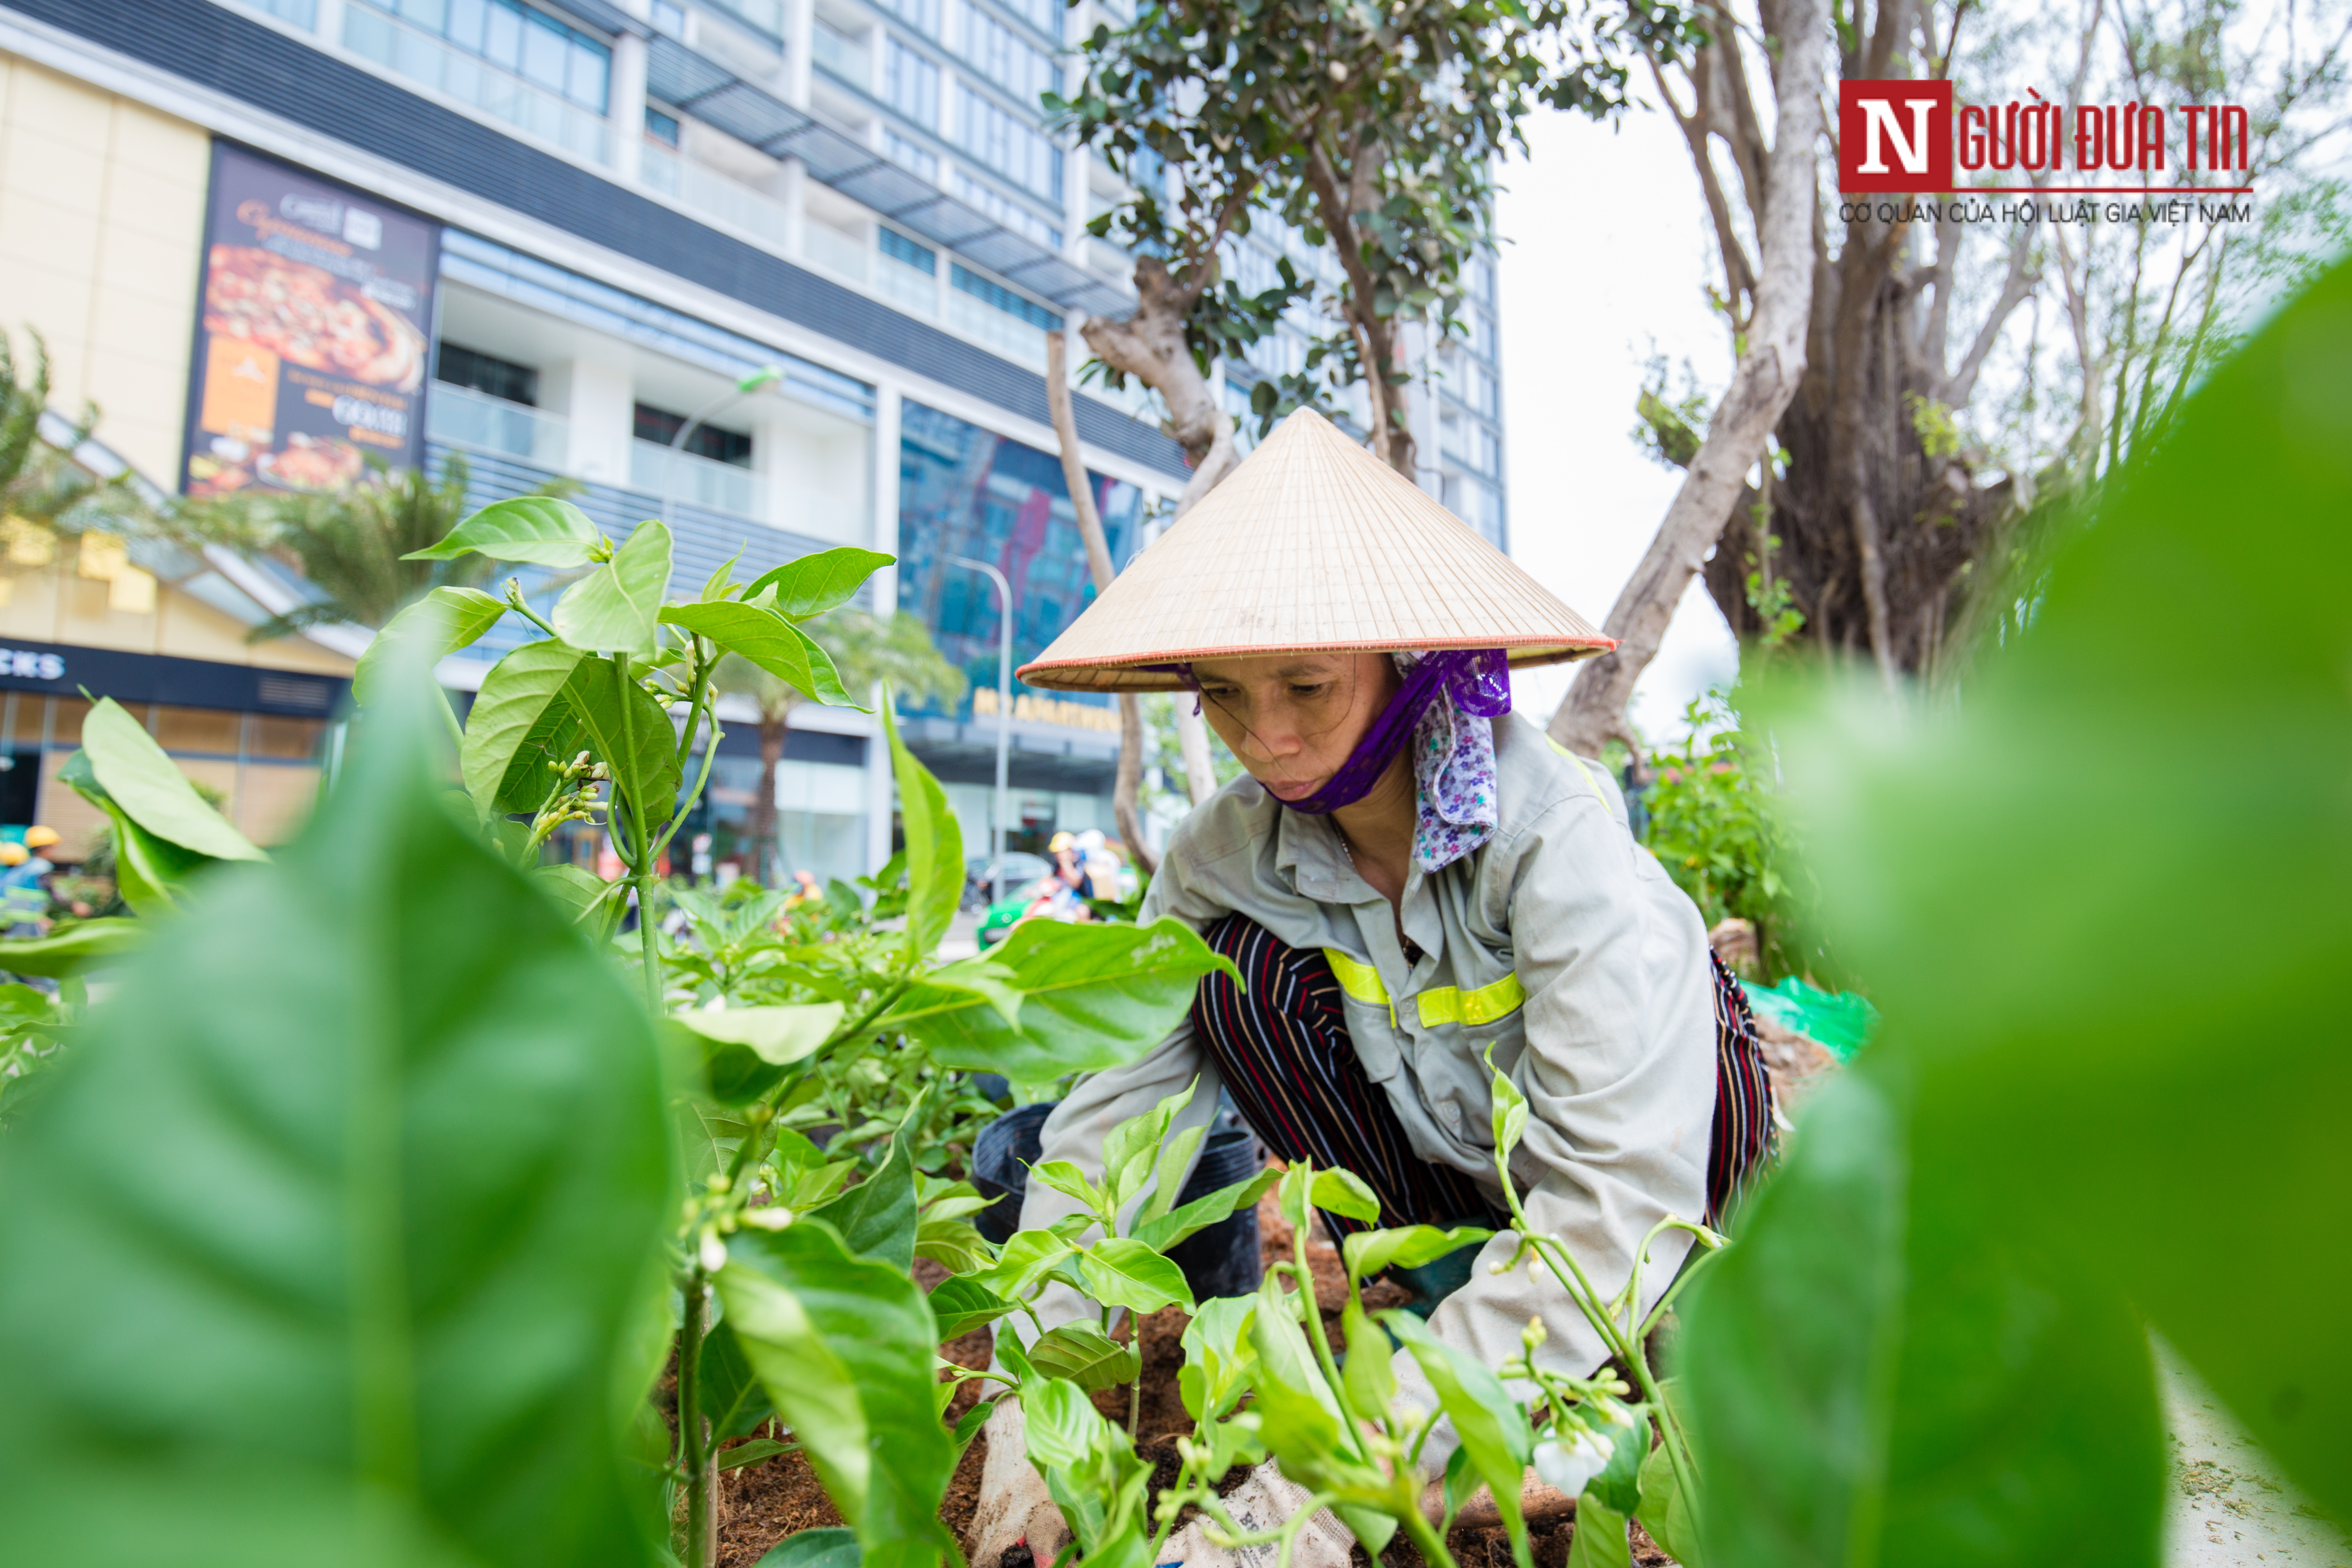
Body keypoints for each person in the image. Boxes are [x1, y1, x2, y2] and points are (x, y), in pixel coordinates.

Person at [965, 410, 1774, 1568]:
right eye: (1225, 696)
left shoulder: (1549, 842)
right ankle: (1486, 1376)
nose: (1268, 740)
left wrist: (1327, 1486)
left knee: (1695, 1387)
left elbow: (1616, 1196)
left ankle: (1596, 1405)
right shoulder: (1221, 860)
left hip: (1672, 1229)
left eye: (1305, 685)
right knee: (1233, 971)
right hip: (1469, 1225)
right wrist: (1025, 1427)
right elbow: (1110, 1125)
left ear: (1407, 669)